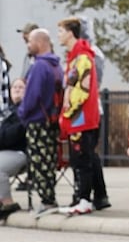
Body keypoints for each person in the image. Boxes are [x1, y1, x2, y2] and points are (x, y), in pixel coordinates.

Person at [56, 17, 108, 215]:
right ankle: (80, 198)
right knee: (78, 160)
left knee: (83, 160)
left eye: (61, 31)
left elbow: (82, 90)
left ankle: (84, 199)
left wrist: (68, 110)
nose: (59, 36)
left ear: (70, 32)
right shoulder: (75, 56)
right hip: (77, 118)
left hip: (81, 119)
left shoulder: (83, 57)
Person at [18, 29, 62, 210]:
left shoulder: (39, 66)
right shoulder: (56, 66)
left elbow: (32, 95)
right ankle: (50, 197)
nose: (28, 45)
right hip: (52, 120)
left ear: (40, 42)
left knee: (39, 162)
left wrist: (22, 113)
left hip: (37, 121)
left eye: (30, 41)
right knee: (49, 161)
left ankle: (47, 201)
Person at [0, 77, 27, 219]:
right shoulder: (8, 111)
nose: (17, 89)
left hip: (19, 152)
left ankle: (7, 202)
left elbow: (14, 135)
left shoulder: (24, 111)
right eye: (14, 87)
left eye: (21, 87)